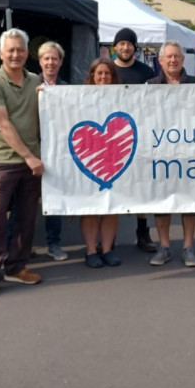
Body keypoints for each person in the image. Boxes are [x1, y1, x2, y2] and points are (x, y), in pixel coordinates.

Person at [0, 28, 45, 301]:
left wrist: (46, 96)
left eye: (20, 50)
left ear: (27, 53)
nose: (16, 54)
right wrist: (29, 156)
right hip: (3, 162)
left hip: (32, 163)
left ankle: (17, 267)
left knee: (26, 219)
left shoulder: (34, 80)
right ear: (1, 53)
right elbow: (2, 124)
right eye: (11, 50)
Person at [146, 40, 195, 268]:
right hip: (161, 153)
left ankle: (188, 247)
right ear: (160, 61)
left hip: (190, 152)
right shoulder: (149, 85)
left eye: (176, 56)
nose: (173, 60)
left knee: (189, 202)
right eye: (168, 56)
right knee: (162, 202)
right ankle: (165, 246)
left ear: (183, 59)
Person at [112, 27, 157, 253]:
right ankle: (107, 237)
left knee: (140, 187)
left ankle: (142, 232)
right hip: (111, 137)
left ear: (135, 47)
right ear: (115, 47)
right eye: (121, 43)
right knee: (110, 185)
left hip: (140, 136)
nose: (125, 47)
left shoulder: (146, 72)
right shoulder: (107, 71)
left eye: (129, 43)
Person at [80, 58, 123, 269]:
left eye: (108, 73)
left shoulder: (122, 97)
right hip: (88, 156)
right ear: (92, 76)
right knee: (90, 207)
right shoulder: (79, 97)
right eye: (99, 74)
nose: (104, 77)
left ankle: (107, 249)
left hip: (114, 157)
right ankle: (90, 251)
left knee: (110, 205)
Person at [36, 40, 69, 261]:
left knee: (54, 199)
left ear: (60, 62)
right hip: (34, 149)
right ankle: (18, 246)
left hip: (58, 152)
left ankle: (53, 244)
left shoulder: (67, 89)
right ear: (40, 61)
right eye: (46, 58)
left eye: (54, 58)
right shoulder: (29, 85)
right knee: (26, 202)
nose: (50, 62)